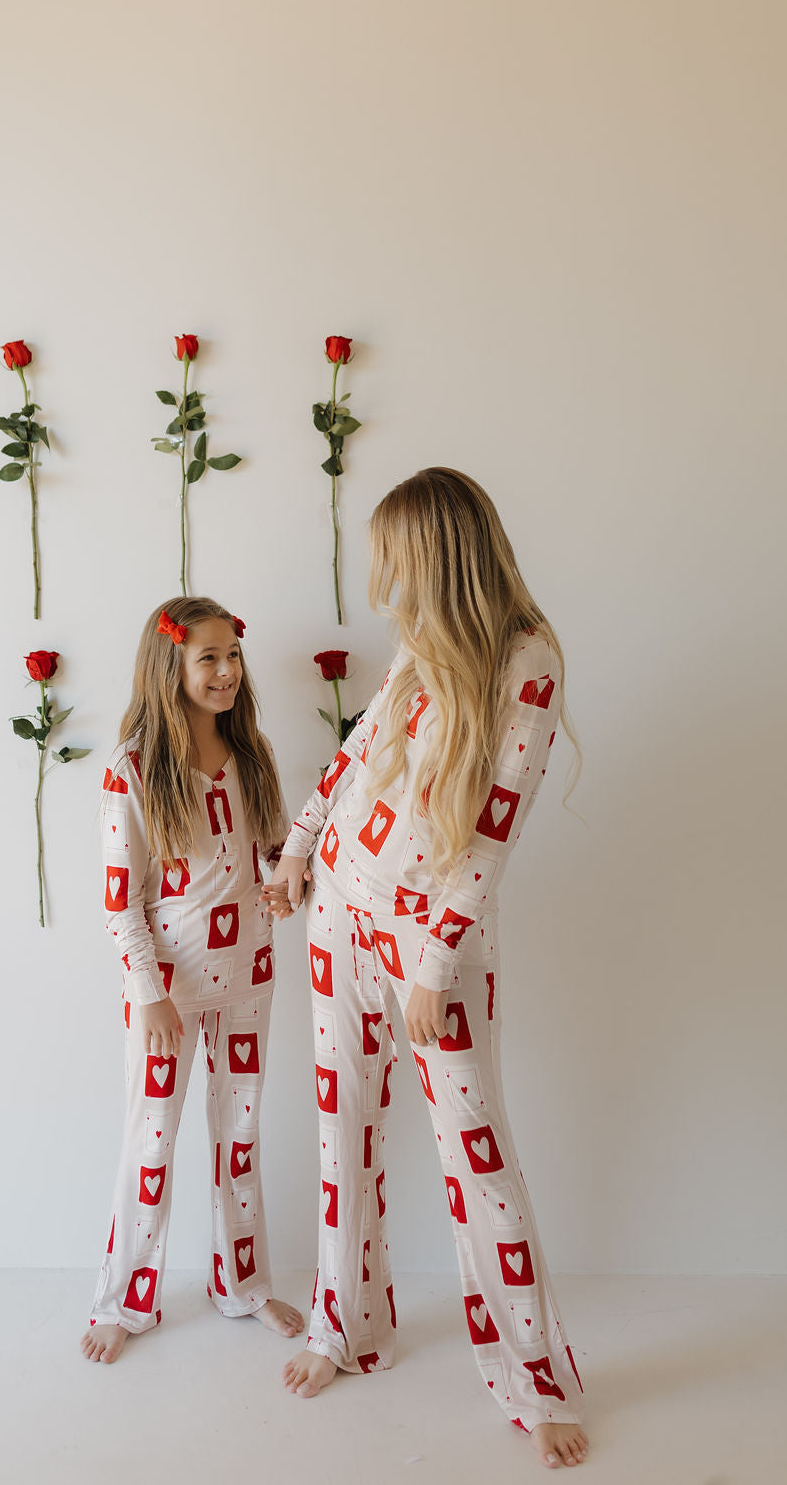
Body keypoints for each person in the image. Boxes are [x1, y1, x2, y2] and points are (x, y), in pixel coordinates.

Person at [266, 470, 589, 1470]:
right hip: (340, 915)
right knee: (343, 1131)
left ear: (440, 552)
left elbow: (493, 834)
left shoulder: (525, 663)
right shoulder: (419, 643)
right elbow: (355, 750)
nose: (384, 578)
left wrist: (433, 965)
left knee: (477, 1160)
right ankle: (343, 1327)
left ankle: (536, 1385)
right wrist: (296, 848)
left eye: (395, 556)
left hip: (427, 951)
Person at [81, 597, 303, 1364]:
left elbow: (272, 853)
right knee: (152, 1138)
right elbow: (121, 900)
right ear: (169, 667)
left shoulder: (255, 755)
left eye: (232, 656)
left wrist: (282, 881)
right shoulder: (134, 769)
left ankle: (242, 1284)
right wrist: (149, 991)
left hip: (250, 973)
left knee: (238, 1136)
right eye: (207, 658)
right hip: (170, 989)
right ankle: (122, 1302)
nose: (226, 672)